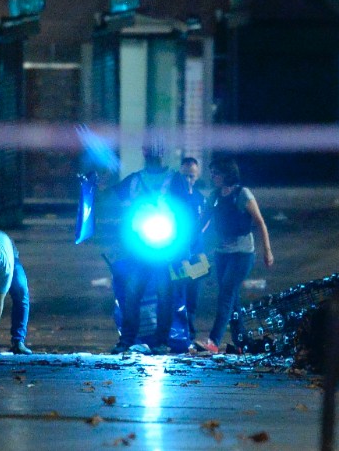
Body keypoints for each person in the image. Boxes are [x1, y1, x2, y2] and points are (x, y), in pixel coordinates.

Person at [110, 137, 184, 355]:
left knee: (163, 295)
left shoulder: (174, 180)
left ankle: (160, 341)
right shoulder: (134, 180)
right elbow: (112, 201)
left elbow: (186, 213)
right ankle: (128, 340)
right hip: (139, 247)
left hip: (165, 246)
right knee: (133, 294)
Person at [198, 157, 273, 355]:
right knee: (233, 298)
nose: (213, 176)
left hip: (242, 254)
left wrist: (267, 250)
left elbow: (260, 222)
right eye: (212, 172)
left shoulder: (242, 194)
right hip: (222, 253)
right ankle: (242, 342)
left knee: (226, 295)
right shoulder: (214, 196)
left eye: (217, 173)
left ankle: (213, 341)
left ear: (227, 174)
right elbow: (200, 223)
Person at [174, 157, 206, 343]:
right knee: (178, 294)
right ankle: (179, 333)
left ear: (197, 175)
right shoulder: (175, 199)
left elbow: (205, 222)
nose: (188, 180)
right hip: (178, 255)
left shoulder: (200, 198)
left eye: (191, 176)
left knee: (192, 296)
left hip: (196, 255)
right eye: (185, 176)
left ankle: (190, 333)